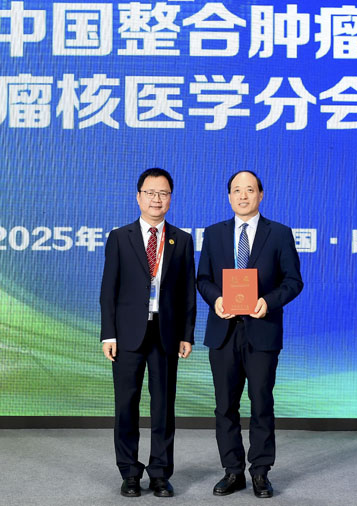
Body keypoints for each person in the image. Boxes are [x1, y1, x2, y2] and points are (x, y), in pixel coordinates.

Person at [197, 170, 303, 498]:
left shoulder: (279, 234)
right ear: (229, 196)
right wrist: (216, 300)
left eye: (250, 190)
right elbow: (203, 279)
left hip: (262, 331)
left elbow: (293, 281)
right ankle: (232, 471)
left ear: (261, 194)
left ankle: (260, 471)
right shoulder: (214, 234)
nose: (243, 196)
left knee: (261, 404)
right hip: (224, 332)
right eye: (236, 190)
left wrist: (267, 302)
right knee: (224, 406)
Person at [100, 168, 196, 498]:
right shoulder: (120, 237)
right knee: (126, 405)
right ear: (138, 196)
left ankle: (159, 473)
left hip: (166, 333)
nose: (157, 199)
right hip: (127, 335)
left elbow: (187, 292)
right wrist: (108, 334)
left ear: (171, 198)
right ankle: (129, 472)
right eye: (151, 193)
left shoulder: (182, 240)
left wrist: (187, 334)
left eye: (163, 193)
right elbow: (108, 290)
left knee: (163, 407)